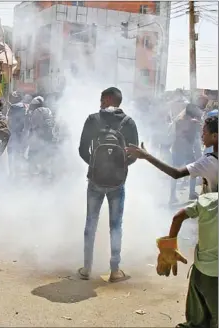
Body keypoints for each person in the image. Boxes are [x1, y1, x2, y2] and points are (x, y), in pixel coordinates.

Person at [78, 87, 139, 282]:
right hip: (117, 183)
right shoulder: (129, 123)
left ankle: (87, 268)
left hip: (95, 181)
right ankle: (115, 270)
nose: (100, 102)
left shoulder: (92, 120)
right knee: (116, 226)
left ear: (108, 99)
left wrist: (95, 166)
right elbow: (134, 154)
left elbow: (82, 150)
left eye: (102, 99)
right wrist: (120, 167)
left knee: (91, 223)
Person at [156, 192, 217, 328]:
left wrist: (169, 247)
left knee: (196, 321)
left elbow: (178, 217)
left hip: (200, 273)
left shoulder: (207, 200)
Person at [126, 115, 218, 196]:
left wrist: (147, 156)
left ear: (214, 136)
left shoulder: (208, 162)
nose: (202, 136)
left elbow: (176, 173)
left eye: (205, 133)